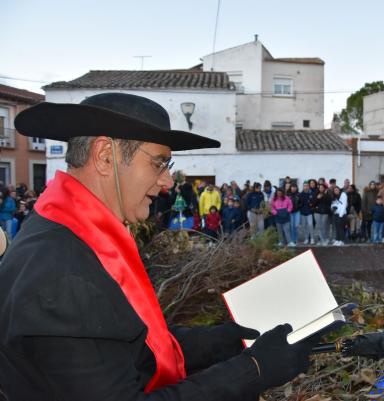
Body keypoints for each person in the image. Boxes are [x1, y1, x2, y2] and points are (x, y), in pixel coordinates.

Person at [0, 93, 317, 400]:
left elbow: (130, 345)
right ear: (105, 156)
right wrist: (254, 370)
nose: (168, 181)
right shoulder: (65, 274)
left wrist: (222, 340)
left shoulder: (68, 232)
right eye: (158, 163)